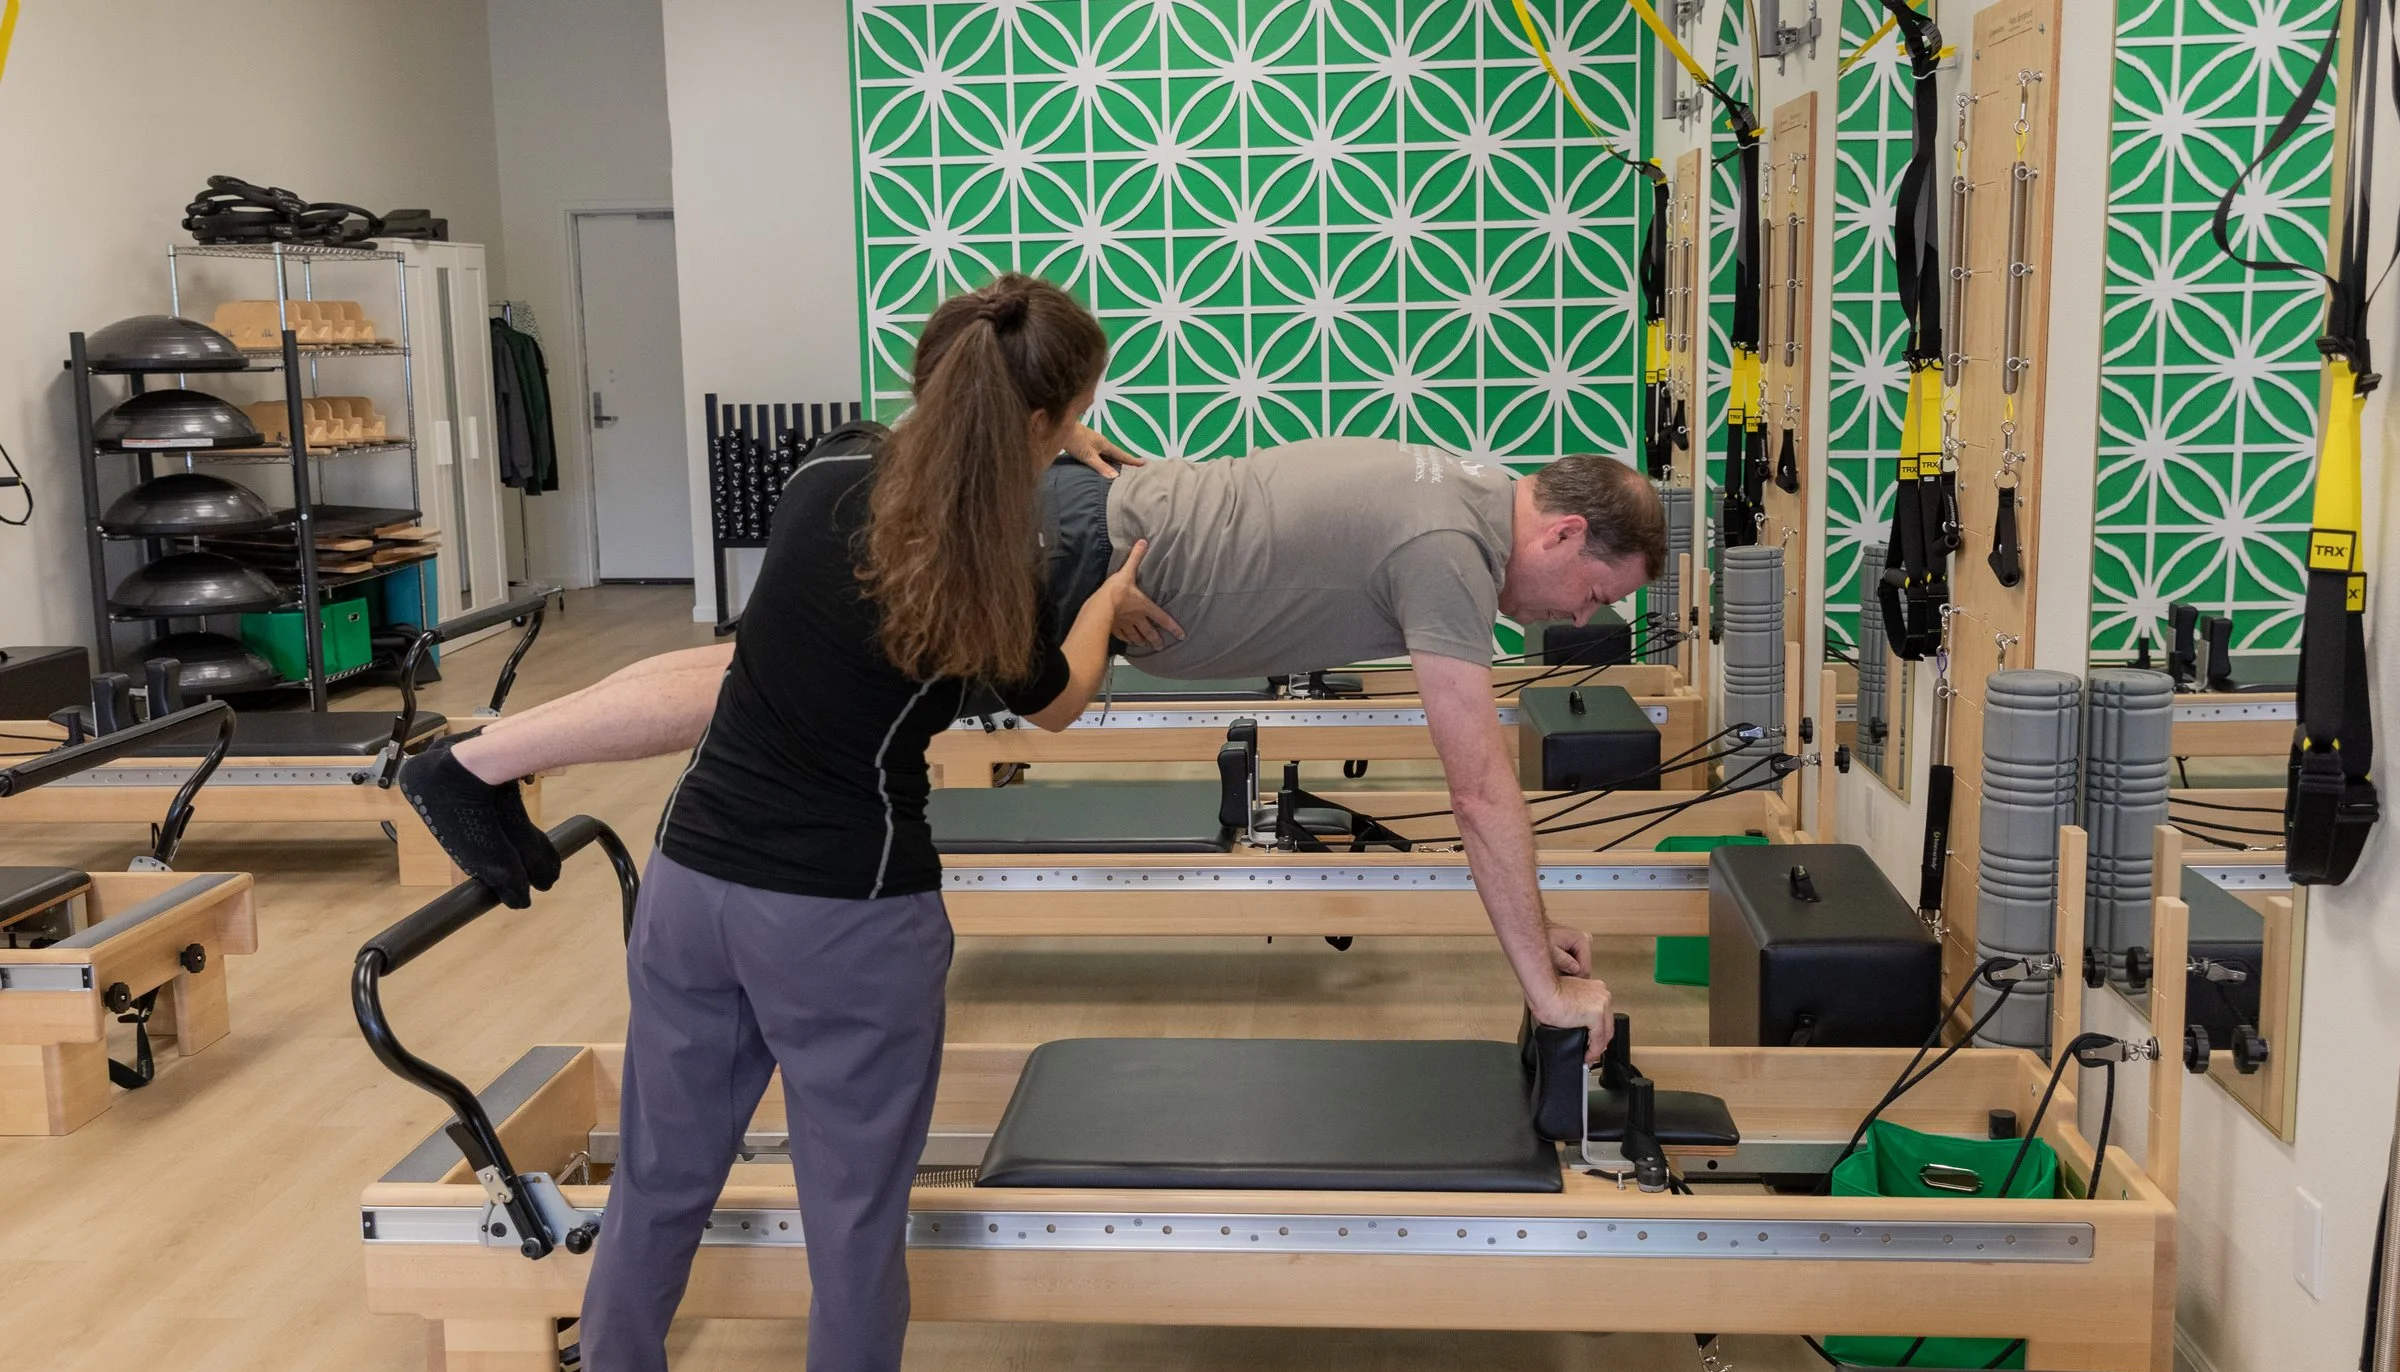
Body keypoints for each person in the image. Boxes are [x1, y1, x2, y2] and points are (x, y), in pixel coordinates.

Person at [401, 274, 1157, 1372]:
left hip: (693, 884)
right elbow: (1059, 699)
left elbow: (931, 439)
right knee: (850, 1215)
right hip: (849, 915)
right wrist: (1104, 598)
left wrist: (1046, 427)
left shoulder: (820, 476)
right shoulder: (1000, 577)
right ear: (1047, 422)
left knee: (661, 1177)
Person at [416, 356, 1662, 1062]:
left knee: (758, 667)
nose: (1577, 617)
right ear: (1560, 531)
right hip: (1072, 561)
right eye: (1593, 592)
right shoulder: (1452, 549)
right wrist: (1545, 988)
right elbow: (1478, 787)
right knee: (764, 683)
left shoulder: (1466, 485)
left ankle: (483, 757)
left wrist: (1532, 927)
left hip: (1081, 534)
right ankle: (474, 763)